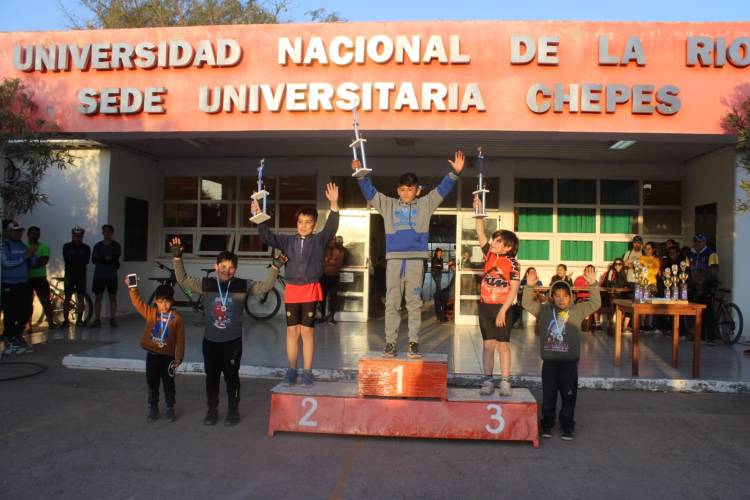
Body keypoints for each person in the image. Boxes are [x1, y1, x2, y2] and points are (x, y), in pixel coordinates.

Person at [354, 151, 464, 358]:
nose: (406, 192)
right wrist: (360, 174)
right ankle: (390, 343)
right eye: (402, 189)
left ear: (418, 190)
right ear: (398, 190)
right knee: (393, 304)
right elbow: (370, 193)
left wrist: (455, 173)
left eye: (410, 189)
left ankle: (413, 343)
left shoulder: (425, 204)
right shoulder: (388, 205)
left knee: (414, 304)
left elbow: (442, 190)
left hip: (415, 261)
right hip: (394, 261)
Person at [171, 238, 283, 426]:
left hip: (232, 342)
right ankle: (212, 410)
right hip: (210, 341)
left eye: (231, 267)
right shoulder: (206, 284)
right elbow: (182, 279)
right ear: (216, 266)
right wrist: (176, 257)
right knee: (212, 378)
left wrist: (275, 267)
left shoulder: (241, 285)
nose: (226, 270)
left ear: (236, 269)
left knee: (231, 377)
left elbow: (265, 287)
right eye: (223, 266)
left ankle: (233, 411)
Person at [253, 183, 340, 387]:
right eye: (300, 221)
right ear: (297, 223)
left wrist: (334, 204)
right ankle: (291, 370)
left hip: (310, 289)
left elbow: (332, 226)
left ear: (314, 224)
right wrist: (259, 217)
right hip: (292, 289)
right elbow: (267, 236)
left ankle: (308, 371)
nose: (303, 225)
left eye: (308, 222)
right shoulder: (287, 241)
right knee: (292, 332)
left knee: (307, 332)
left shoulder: (319, 240)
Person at [522, 268, 601, 441]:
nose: (561, 299)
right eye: (557, 295)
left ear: (570, 297)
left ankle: (567, 425)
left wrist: (593, 285)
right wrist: (528, 287)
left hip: (569, 364)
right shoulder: (544, 311)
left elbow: (596, 303)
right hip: (549, 364)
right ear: (551, 296)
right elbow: (527, 303)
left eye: (565, 295)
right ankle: (547, 424)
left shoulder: (578, 310)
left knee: (569, 396)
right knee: (549, 396)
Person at [475, 195, 520, 396]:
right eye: (494, 240)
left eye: (498, 241)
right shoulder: (489, 255)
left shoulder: (513, 264)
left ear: (508, 247)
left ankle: (505, 381)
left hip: (504, 308)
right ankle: (487, 380)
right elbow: (480, 232)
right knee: (488, 345)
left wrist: (503, 311)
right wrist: (478, 212)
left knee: (503, 345)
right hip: (486, 306)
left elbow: (514, 289)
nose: (493, 243)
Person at [127, 280, 185, 423]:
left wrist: (178, 358)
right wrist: (133, 289)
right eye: (160, 302)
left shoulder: (177, 319)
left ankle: (170, 408)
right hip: (152, 356)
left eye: (166, 302)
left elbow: (181, 340)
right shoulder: (151, 313)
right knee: (152, 383)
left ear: (172, 301)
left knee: (168, 383)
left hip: (168, 358)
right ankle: (153, 407)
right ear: (156, 302)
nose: (163, 305)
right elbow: (138, 303)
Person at [1, 220, 36, 354]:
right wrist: (25, 256)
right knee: (10, 312)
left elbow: (31, 263)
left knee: (27, 309)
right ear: (9, 232)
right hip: (9, 284)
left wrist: (32, 256)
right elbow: (6, 264)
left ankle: (17, 334)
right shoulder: (4, 246)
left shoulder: (22, 245)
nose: (18, 233)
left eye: (20, 231)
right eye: (15, 231)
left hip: (24, 283)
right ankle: (9, 338)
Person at [688, 234, 720, 344]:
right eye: (696, 242)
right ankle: (699, 336)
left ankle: (711, 337)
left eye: (701, 242)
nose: (698, 244)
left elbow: (714, 272)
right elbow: (687, 271)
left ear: (705, 242)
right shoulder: (690, 254)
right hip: (694, 288)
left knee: (708, 314)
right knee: (696, 314)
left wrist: (711, 288)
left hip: (706, 288)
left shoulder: (711, 254)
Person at [91, 224, 121, 328]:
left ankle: (112, 318)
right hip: (99, 275)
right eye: (105, 231)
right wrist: (106, 258)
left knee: (112, 297)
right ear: (102, 232)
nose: (107, 233)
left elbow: (114, 259)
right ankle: (97, 319)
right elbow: (94, 260)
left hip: (111, 275)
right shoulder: (98, 245)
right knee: (98, 297)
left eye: (109, 231)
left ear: (112, 233)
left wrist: (102, 258)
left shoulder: (116, 245)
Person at [26, 226, 55, 329]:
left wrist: (29, 260)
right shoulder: (23, 246)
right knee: (28, 302)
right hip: (27, 278)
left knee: (45, 301)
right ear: (28, 234)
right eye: (33, 233)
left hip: (40, 278)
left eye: (37, 234)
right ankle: (28, 325)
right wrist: (33, 261)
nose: (35, 235)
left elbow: (43, 261)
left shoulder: (44, 247)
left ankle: (51, 323)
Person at [62, 226, 91, 327]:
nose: (77, 237)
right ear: (72, 236)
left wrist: (75, 259)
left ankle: (80, 320)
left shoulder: (86, 248)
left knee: (81, 298)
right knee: (67, 298)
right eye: (75, 235)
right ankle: (65, 321)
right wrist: (78, 260)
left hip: (81, 275)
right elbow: (67, 260)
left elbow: (86, 261)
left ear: (82, 236)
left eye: (79, 236)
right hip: (69, 275)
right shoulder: (66, 246)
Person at [319, 234, 345, 324]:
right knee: (322, 298)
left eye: (333, 240)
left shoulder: (339, 251)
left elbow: (339, 264)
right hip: (324, 277)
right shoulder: (323, 250)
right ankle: (322, 316)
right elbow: (321, 263)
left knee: (333, 298)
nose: (332, 241)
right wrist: (332, 261)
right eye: (330, 240)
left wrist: (327, 260)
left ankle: (332, 317)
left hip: (334, 277)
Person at [621, 235, 644, 334]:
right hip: (630, 281)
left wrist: (632, 265)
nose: (636, 244)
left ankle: (633, 326)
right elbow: (624, 264)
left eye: (638, 242)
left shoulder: (644, 253)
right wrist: (634, 264)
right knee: (633, 304)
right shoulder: (628, 253)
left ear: (641, 244)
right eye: (635, 242)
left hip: (641, 281)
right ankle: (627, 326)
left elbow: (645, 266)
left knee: (639, 304)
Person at [640, 242, 662, 332]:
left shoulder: (656, 260)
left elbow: (655, 271)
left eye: (649, 248)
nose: (647, 250)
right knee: (643, 304)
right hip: (642, 283)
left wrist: (646, 268)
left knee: (651, 304)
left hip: (652, 283)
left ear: (653, 250)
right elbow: (640, 271)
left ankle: (649, 324)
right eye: (645, 248)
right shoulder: (641, 258)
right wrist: (648, 269)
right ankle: (641, 324)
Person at [573, 264, 599, 330]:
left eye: (591, 271)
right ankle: (585, 327)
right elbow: (576, 289)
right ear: (585, 271)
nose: (589, 272)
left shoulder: (594, 281)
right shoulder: (579, 278)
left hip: (591, 299)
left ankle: (596, 324)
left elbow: (596, 291)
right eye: (588, 270)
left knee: (596, 305)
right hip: (581, 298)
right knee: (586, 306)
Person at [431, 247, 445, 322]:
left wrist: (439, 266)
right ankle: (438, 295)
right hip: (435, 273)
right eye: (439, 252)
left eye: (441, 252)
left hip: (439, 273)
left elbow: (441, 267)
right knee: (438, 285)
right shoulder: (434, 258)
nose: (440, 253)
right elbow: (435, 266)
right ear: (436, 253)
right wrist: (438, 266)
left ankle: (438, 294)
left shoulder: (441, 259)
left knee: (438, 285)